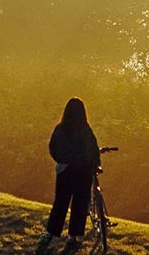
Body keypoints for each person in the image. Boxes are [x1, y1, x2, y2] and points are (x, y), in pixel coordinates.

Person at [35, 97, 101, 254]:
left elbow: (52, 147)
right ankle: (73, 236)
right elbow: (92, 149)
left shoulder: (60, 129)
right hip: (82, 171)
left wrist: (60, 159)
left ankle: (50, 233)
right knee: (79, 204)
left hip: (64, 170)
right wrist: (95, 164)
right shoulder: (85, 129)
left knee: (60, 203)